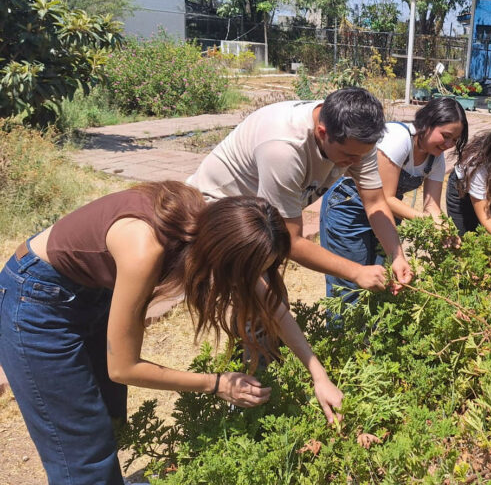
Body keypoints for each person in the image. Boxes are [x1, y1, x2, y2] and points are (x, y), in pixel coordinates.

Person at [0, 182, 343, 484]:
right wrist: (218, 383)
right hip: (37, 299)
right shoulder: (143, 250)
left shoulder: (214, 224)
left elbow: (267, 299)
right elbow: (123, 367)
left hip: (88, 290)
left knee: (107, 418)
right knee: (81, 450)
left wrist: (318, 374)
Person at [187, 87, 412, 293]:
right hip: (216, 212)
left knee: (271, 309)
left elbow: (374, 202)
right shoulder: (283, 148)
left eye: (361, 156)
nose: (356, 162)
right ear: (322, 132)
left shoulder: (357, 140)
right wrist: (357, 272)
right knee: (264, 308)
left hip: (259, 217)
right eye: (349, 156)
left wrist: (396, 254)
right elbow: (290, 241)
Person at [320, 97, 468, 310]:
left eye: (454, 140)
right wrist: (426, 222)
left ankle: (369, 340)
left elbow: (432, 206)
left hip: (382, 214)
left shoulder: (436, 158)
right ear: (426, 123)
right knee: (349, 286)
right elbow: (386, 197)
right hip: (348, 208)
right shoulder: (399, 138)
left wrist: (443, 228)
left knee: (382, 279)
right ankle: (342, 339)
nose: (448, 145)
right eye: (445, 136)